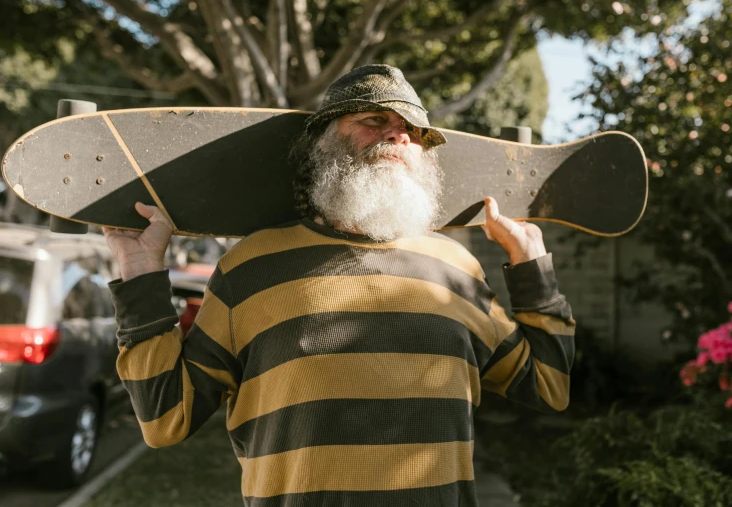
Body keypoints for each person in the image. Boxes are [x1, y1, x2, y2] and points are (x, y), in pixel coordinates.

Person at [103, 64, 576, 506]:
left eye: (411, 131)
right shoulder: (250, 266)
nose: (397, 135)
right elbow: (166, 418)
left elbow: (548, 384)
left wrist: (531, 263)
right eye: (374, 119)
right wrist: (142, 274)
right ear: (325, 141)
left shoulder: (458, 268)